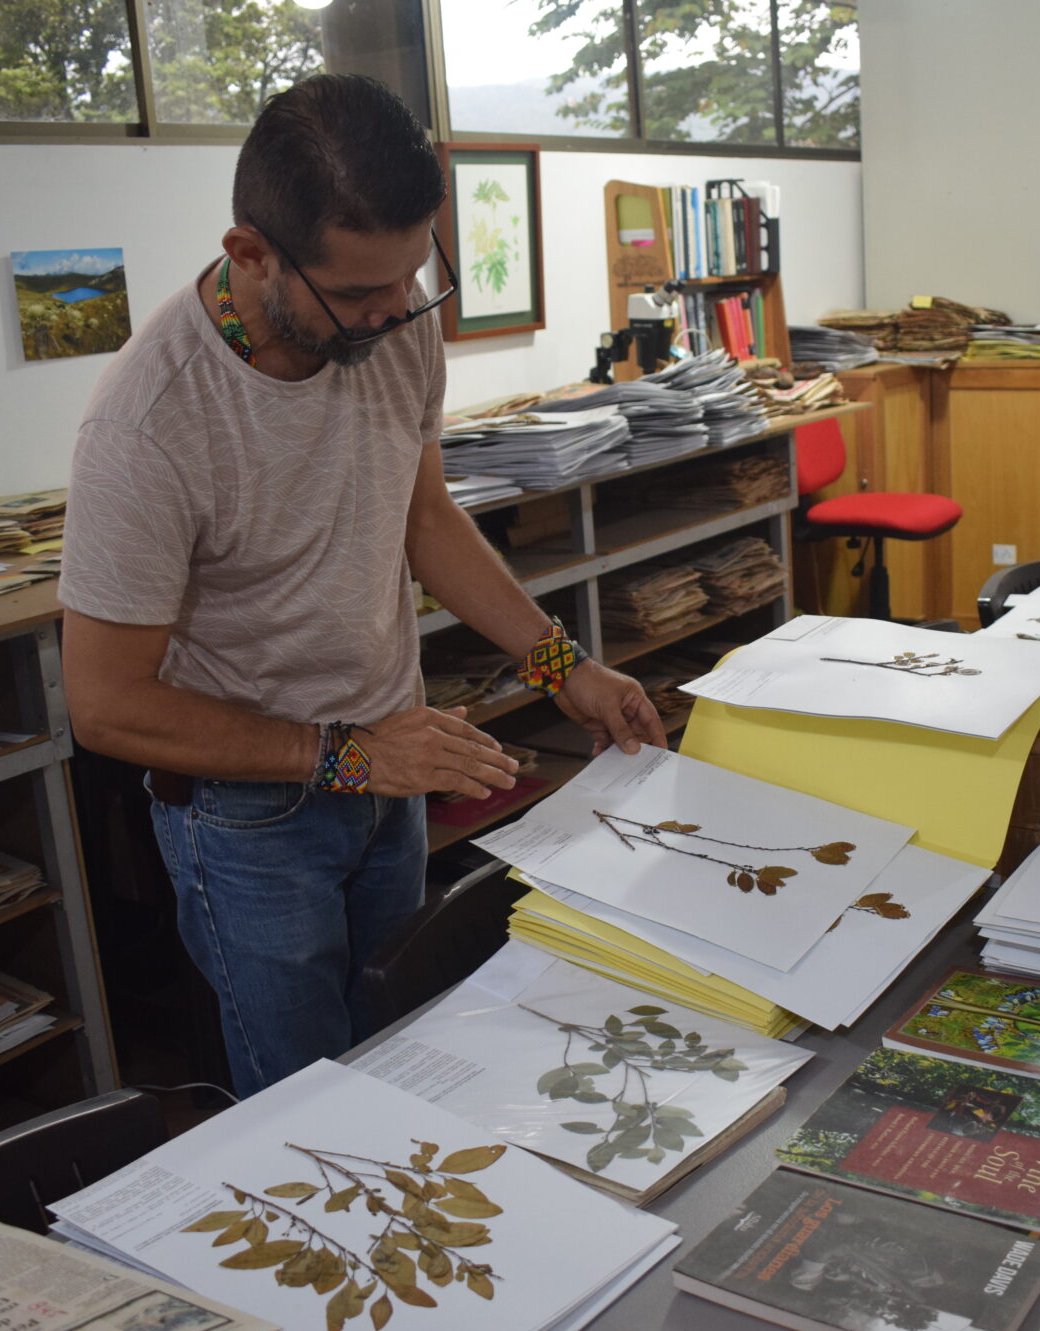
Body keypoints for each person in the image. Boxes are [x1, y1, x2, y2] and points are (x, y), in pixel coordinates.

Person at [58, 74, 664, 1098]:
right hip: (248, 817)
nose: (391, 314)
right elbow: (105, 707)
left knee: (409, 1049)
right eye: (354, 294)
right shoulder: (148, 423)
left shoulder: (388, 321)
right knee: (308, 1097)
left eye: (409, 280)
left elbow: (422, 517)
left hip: (388, 766)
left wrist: (564, 668)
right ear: (249, 253)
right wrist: (343, 756)